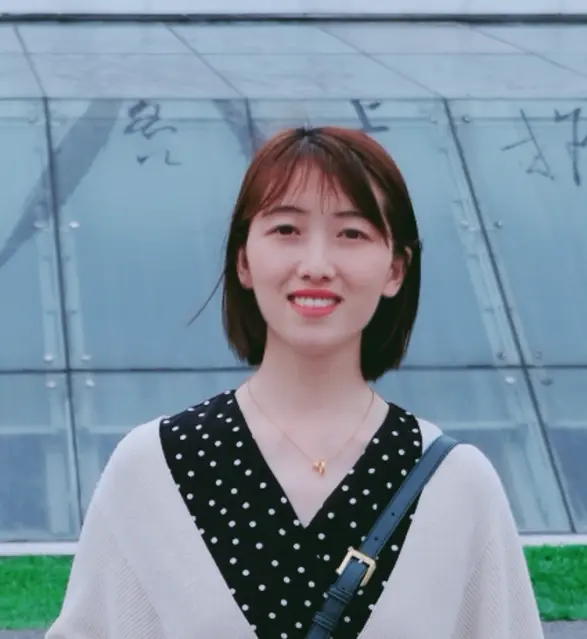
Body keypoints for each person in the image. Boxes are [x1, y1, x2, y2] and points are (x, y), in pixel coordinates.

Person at [46, 127, 544, 639]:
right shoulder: (153, 469)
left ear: (396, 269)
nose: (316, 266)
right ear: (243, 259)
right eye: (287, 229)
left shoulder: (457, 485)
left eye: (352, 234)